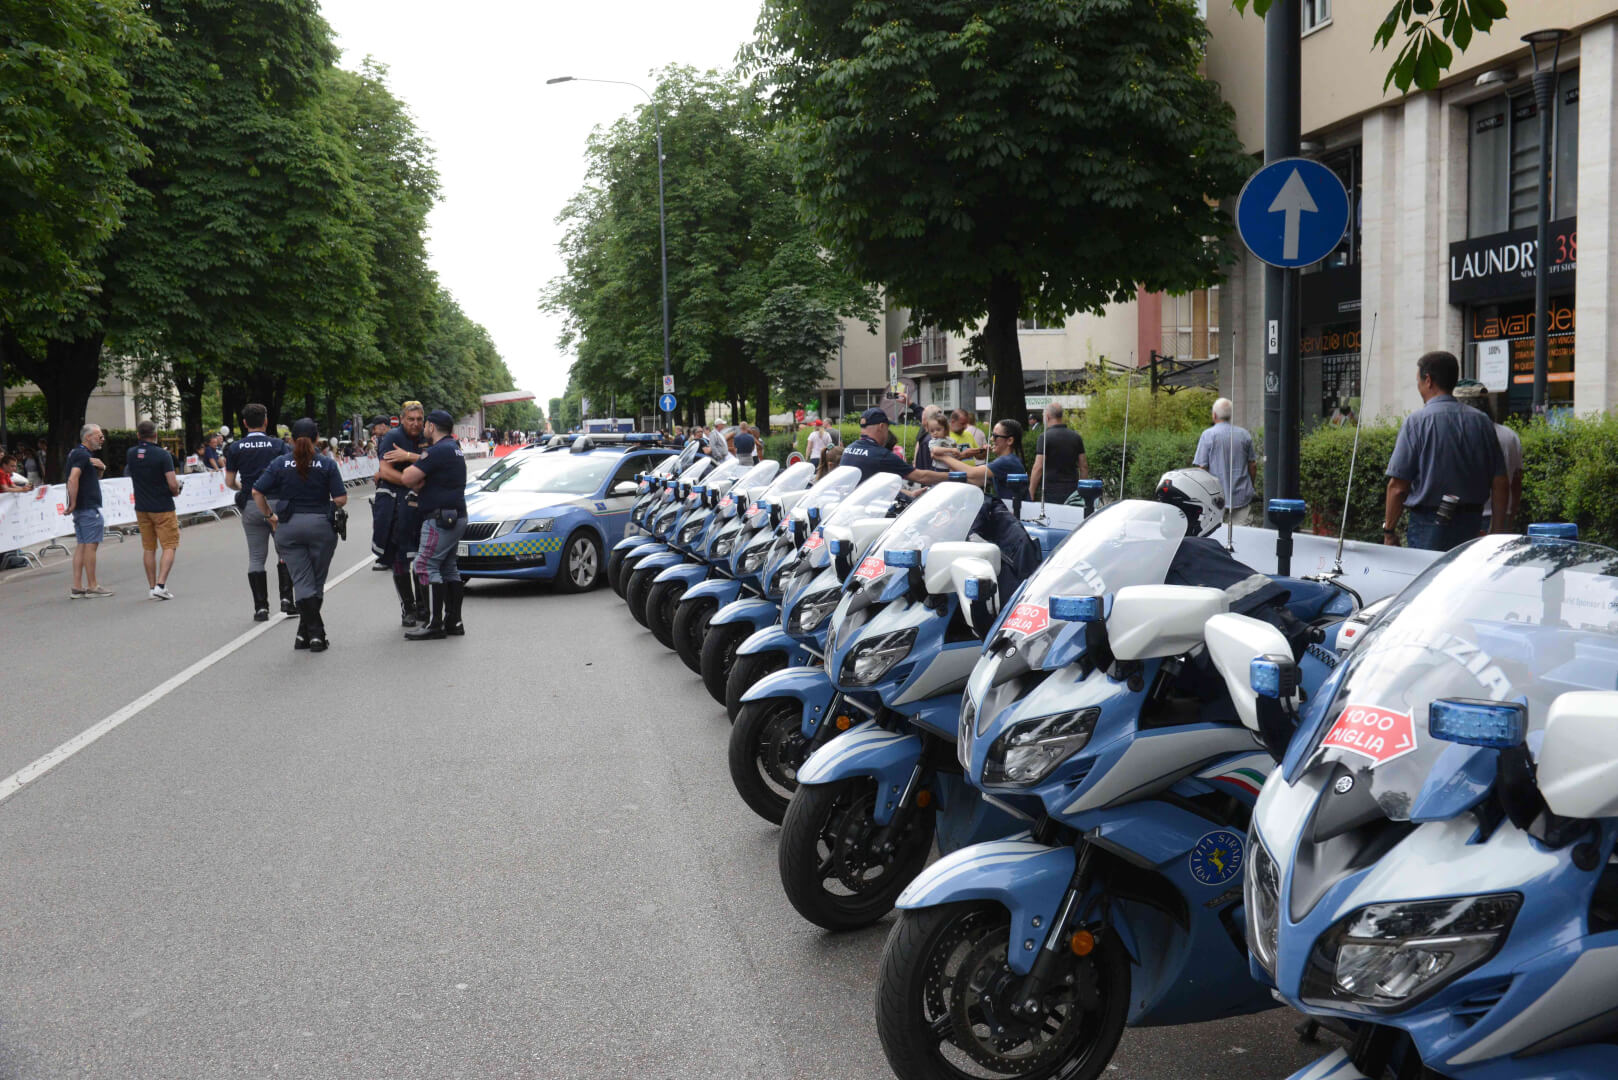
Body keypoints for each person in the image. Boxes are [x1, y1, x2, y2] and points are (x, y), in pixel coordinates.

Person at [1383, 351, 1507, 552]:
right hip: (1471, 524)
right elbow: (1500, 481)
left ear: (1428, 381)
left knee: (1428, 572)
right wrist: (1498, 530)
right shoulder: (1482, 422)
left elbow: (1397, 487)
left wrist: (1389, 531)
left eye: (1418, 381)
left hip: (1427, 524)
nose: (1418, 386)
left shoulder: (1416, 422)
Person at [253, 418, 347, 651]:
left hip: (288, 527)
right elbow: (340, 498)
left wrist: (269, 516)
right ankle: (315, 634)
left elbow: (256, 491)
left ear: (292, 440)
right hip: (321, 527)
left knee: (303, 582)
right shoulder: (326, 463)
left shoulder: (279, 463)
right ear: (317, 439)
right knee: (316, 581)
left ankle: (308, 635)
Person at [402, 410, 468, 640]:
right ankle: (454, 621)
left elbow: (407, 477)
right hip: (456, 515)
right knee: (448, 567)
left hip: (439, 518)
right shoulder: (454, 448)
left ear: (431, 426)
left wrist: (416, 478)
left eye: (425, 424)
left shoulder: (437, 450)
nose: (423, 428)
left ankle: (434, 623)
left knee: (424, 565)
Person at [226, 403, 294, 620]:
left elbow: (229, 481)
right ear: (266, 421)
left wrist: (244, 489)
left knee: (256, 556)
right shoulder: (278, 445)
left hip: (251, 504)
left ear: (245, 423)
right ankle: (287, 600)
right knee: (284, 551)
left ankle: (261, 608)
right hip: (276, 503)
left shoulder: (235, 448)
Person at [374, 401, 428, 625]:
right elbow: (385, 471)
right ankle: (408, 608)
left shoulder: (428, 435)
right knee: (400, 557)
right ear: (402, 419)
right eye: (411, 419)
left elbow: (438, 461)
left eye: (419, 419)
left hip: (423, 504)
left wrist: (408, 456)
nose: (415, 423)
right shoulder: (391, 437)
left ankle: (424, 606)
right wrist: (410, 482)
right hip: (396, 505)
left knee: (422, 556)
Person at [1453, 381, 1523, 533]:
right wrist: (1511, 514)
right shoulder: (1510, 435)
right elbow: (1517, 482)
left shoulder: (1460, 436)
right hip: (1503, 514)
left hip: (1469, 516)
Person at [126, 420, 182, 600]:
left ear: (138, 435)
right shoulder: (163, 455)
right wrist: (176, 491)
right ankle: (161, 585)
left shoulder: (131, 453)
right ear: (155, 435)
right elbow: (172, 483)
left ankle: (151, 587)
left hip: (142, 506)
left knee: (149, 547)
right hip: (162, 505)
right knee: (169, 545)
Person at [841, 407, 949, 488]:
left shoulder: (848, 449)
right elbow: (921, 476)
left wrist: (908, 493)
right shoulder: (880, 455)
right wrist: (952, 475)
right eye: (887, 428)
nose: (888, 433)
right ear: (881, 427)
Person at [1191, 397, 1258, 526]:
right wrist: (1251, 487)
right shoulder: (1244, 434)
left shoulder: (1208, 435)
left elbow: (1202, 468)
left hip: (1216, 499)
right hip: (1241, 496)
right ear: (1230, 415)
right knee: (1243, 534)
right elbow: (1253, 465)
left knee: (1216, 532)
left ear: (1214, 415)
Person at [64, 424, 112, 598]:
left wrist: (101, 468)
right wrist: (73, 503)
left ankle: (77, 586)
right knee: (91, 546)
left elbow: (87, 478)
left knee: (82, 545)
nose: (102, 439)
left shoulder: (78, 454)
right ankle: (92, 585)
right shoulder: (83, 455)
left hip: (82, 507)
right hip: (88, 507)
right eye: (99, 436)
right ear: (88, 437)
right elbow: (73, 478)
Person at [934, 419, 1029, 499]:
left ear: (1010, 440)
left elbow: (972, 473)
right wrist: (959, 458)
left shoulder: (1007, 461)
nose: (991, 439)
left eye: (995, 436)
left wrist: (942, 456)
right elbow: (976, 480)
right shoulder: (1008, 460)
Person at [1028, 403, 1088, 504]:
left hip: (1051, 491)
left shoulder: (1044, 437)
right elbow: (1084, 466)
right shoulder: (1076, 437)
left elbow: (1038, 467)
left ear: (1047, 417)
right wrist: (1083, 491)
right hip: (1072, 490)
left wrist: (1031, 492)